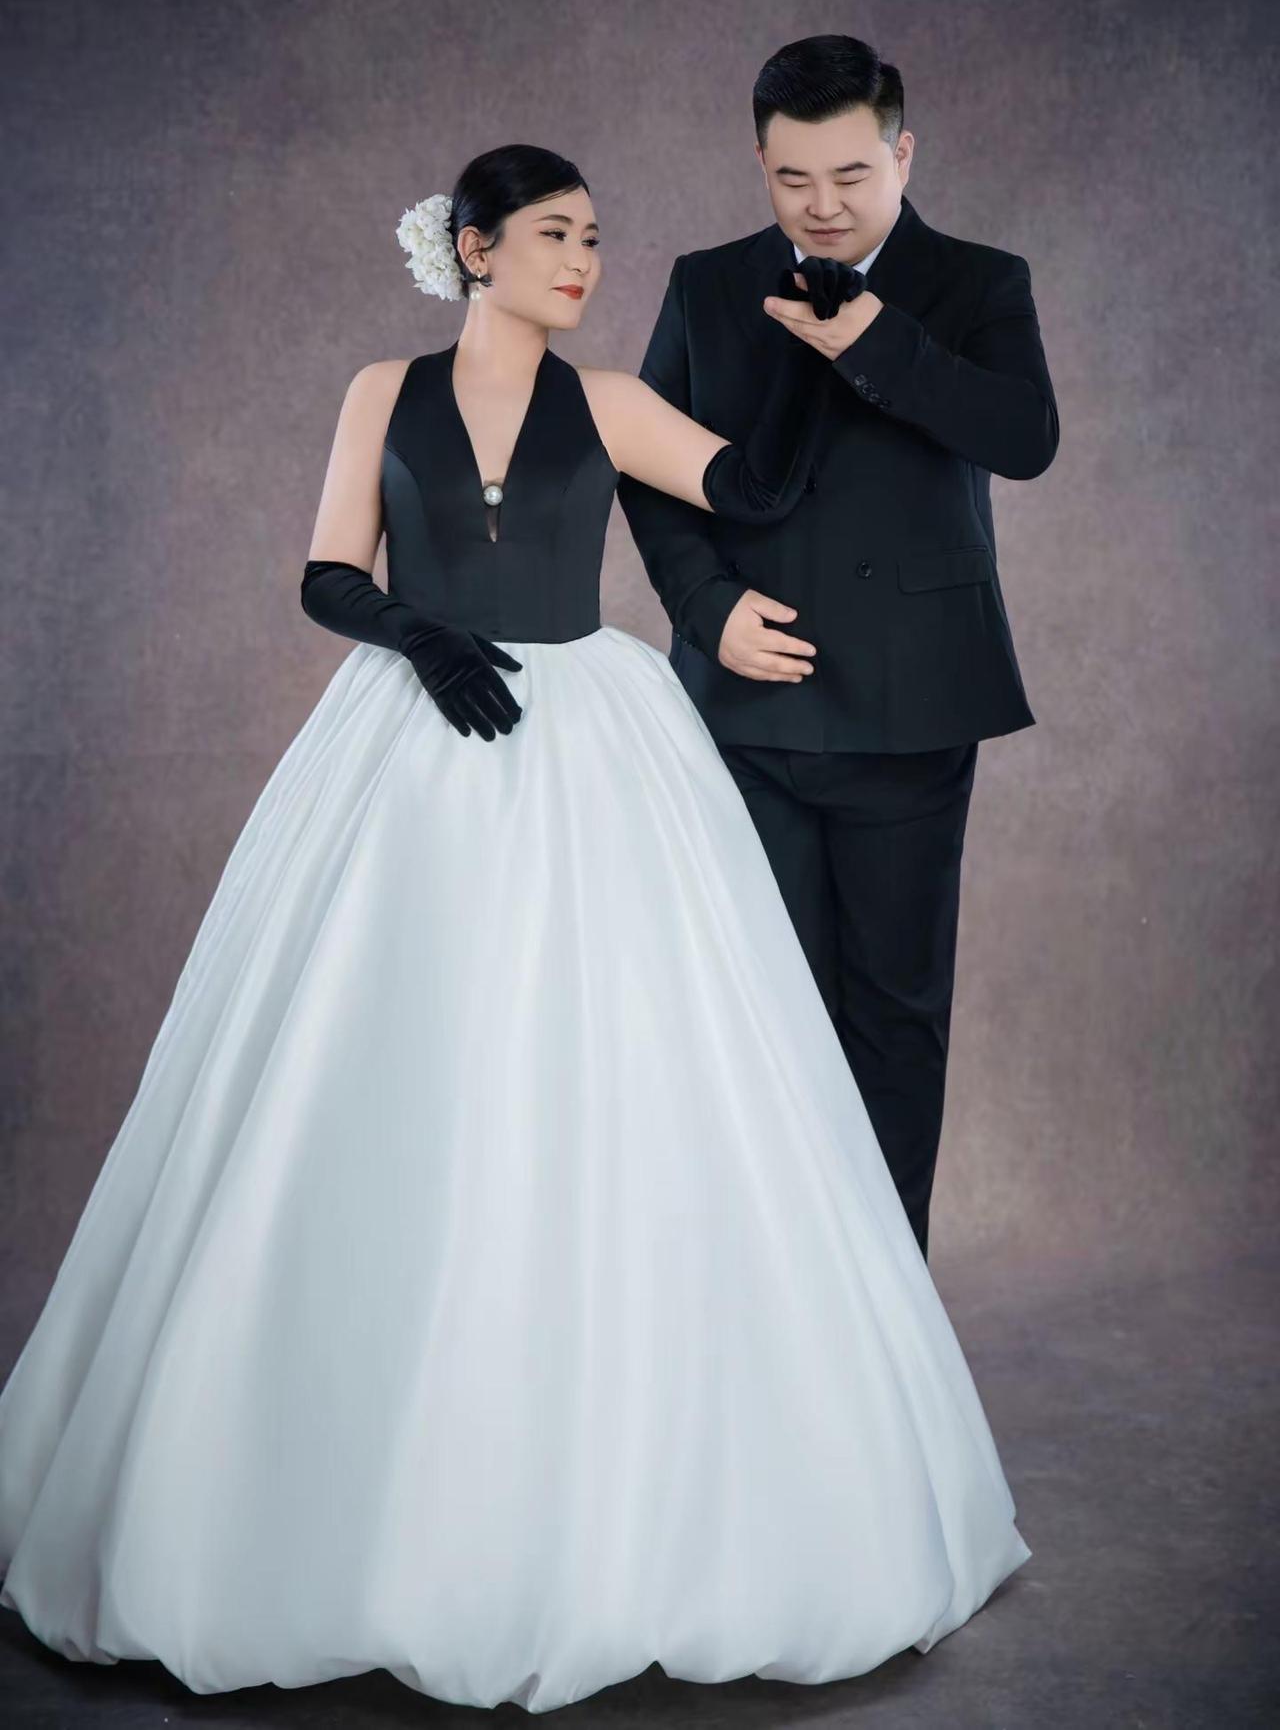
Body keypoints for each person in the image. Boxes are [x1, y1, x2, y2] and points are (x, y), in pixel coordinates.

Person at [0, 143, 1030, 1715]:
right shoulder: (381, 391)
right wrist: (418, 636)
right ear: (473, 248)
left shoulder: (609, 402)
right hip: (413, 739)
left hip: (589, 748)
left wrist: (831, 359)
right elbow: (326, 569)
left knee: (607, 1072)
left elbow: (753, 489)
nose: (584, 262)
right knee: (376, 1067)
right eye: (555, 236)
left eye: (594, 239)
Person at [618, 35, 1059, 1260]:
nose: (819, 205)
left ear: (902, 154)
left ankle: (886, 1311)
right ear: (758, 161)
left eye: (850, 176)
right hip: (743, 709)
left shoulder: (978, 280)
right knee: (760, 1019)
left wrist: (872, 340)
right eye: (791, 178)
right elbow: (646, 466)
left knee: (893, 1023)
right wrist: (707, 608)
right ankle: (775, 1314)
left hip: (912, 710)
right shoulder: (705, 283)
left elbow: (1023, 437)